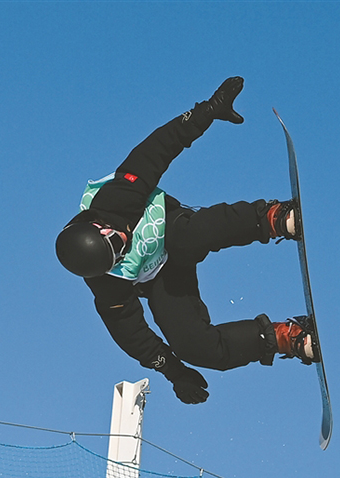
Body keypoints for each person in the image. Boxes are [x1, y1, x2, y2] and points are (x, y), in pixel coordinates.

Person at [55, 77, 317, 405]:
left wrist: (208, 111)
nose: (125, 247)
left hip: (172, 228)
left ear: (102, 227)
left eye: (118, 243)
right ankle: (286, 338)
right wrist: (175, 372)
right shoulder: (107, 289)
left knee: (189, 238)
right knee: (194, 347)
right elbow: (133, 337)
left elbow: (161, 146)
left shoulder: (116, 196)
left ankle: (274, 219)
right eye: (118, 256)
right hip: (161, 279)